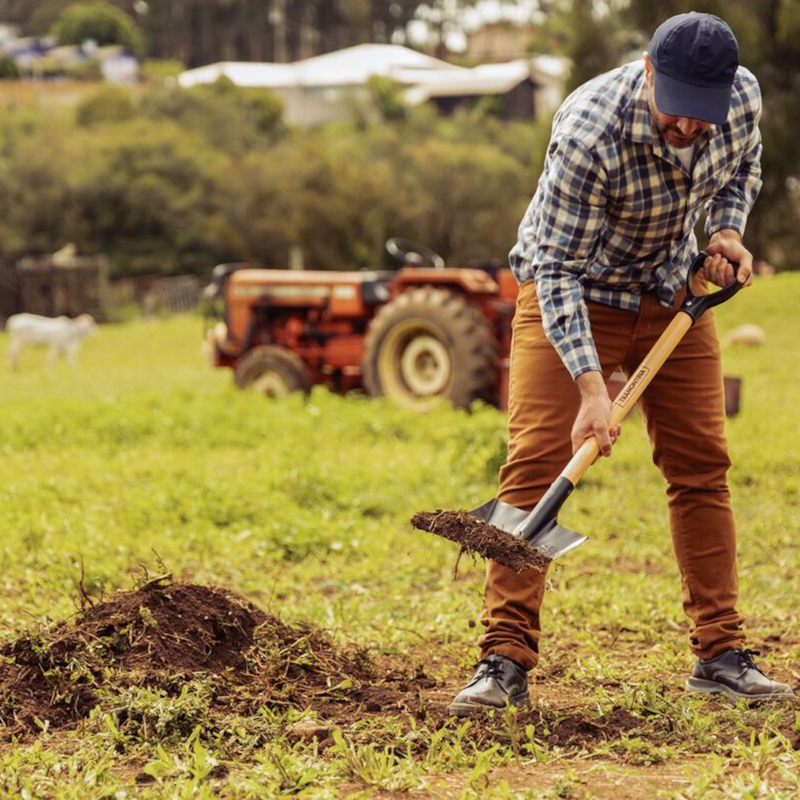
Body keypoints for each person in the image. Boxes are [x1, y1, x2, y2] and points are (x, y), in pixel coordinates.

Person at [450, 11, 793, 716]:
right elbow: (559, 270)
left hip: (672, 296)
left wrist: (727, 229)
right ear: (646, 72)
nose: (691, 128)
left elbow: (743, 166)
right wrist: (589, 387)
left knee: (702, 467)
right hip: (573, 295)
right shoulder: (589, 132)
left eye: (705, 115)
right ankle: (503, 659)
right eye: (678, 110)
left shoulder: (741, 100)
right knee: (535, 465)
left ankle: (721, 657)